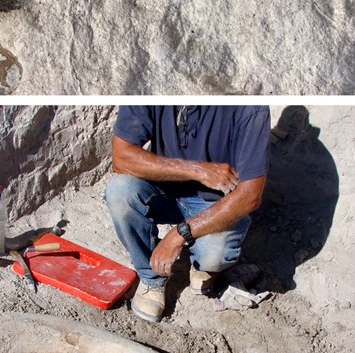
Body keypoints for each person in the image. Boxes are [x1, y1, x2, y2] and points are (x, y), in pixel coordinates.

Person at [105, 105, 270, 323]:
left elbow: (250, 195)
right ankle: (151, 277)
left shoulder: (250, 107)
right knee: (119, 191)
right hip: (161, 189)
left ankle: (204, 265)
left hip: (214, 202)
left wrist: (178, 235)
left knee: (214, 254)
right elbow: (122, 157)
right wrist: (198, 170)